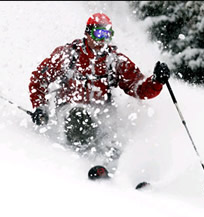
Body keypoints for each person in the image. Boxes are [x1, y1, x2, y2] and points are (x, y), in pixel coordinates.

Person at [29, 13, 170, 171]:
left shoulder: (115, 61)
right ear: (88, 32)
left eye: (107, 34)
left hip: (102, 112)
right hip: (69, 111)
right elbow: (39, 79)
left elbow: (138, 88)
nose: (102, 39)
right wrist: (40, 106)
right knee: (79, 116)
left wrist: (156, 81)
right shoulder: (68, 55)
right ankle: (80, 165)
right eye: (98, 33)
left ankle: (121, 173)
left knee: (112, 135)